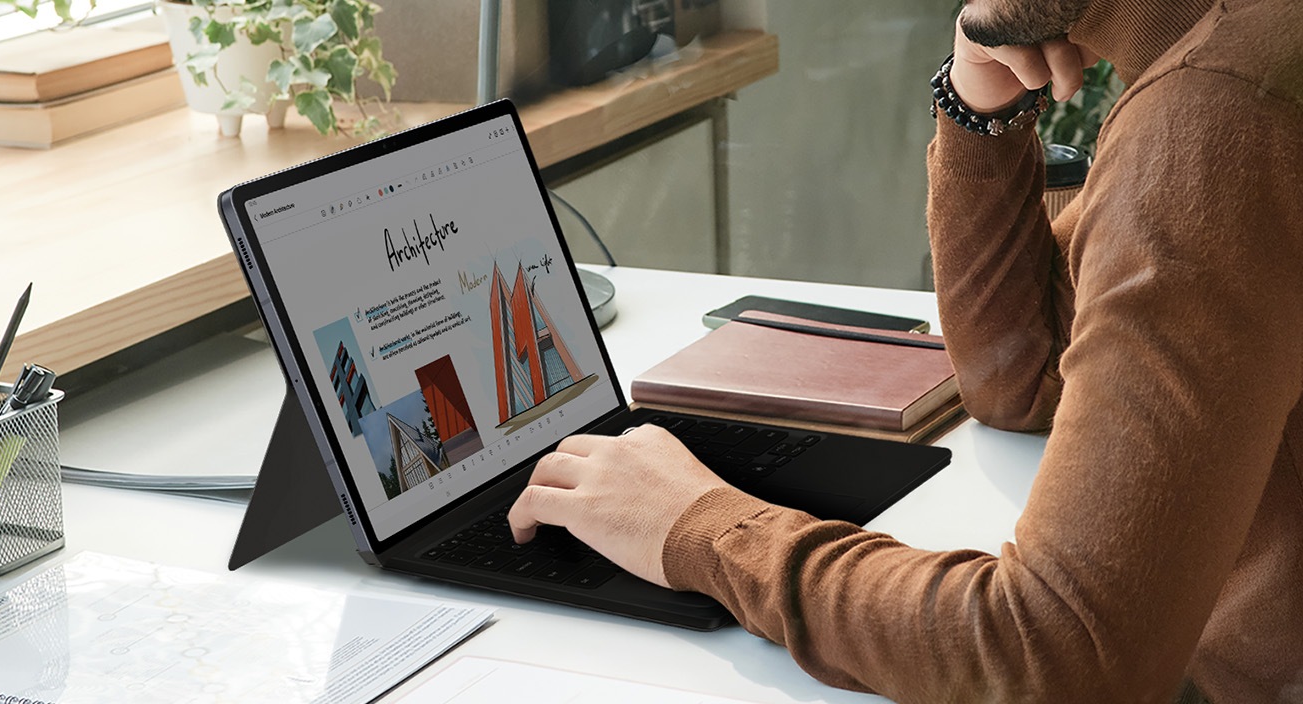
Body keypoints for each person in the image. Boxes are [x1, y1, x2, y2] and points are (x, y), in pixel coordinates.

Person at [507, 0, 1303, 700]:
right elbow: (1024, 379)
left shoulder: (1217, 113)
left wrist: (702, 529)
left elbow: (1057, 658)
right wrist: (976, 105)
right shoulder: (1233, 59)